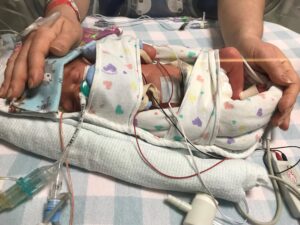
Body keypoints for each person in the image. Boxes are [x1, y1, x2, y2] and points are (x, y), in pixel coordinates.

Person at [0, 0, 299, 130]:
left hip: (205, 31)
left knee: (232, 79)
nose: (79, 90)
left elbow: (158, 54)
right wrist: (65, 12)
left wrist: (247, 39)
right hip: (109, 24)